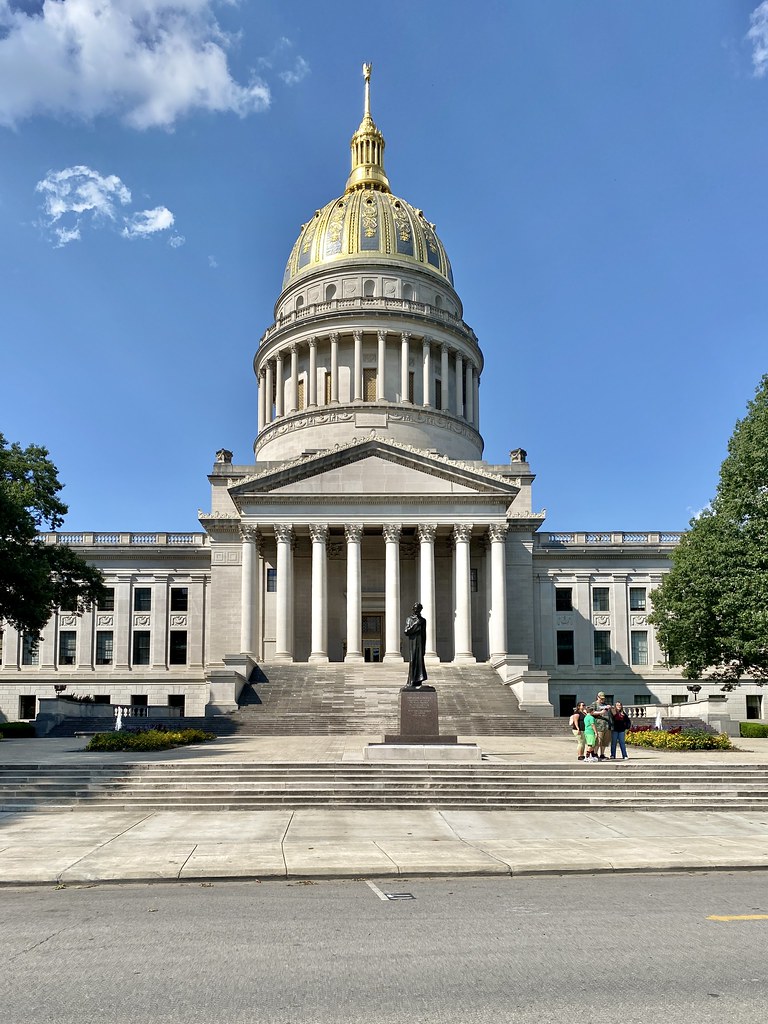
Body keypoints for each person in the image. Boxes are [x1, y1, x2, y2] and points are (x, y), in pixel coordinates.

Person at [404, 602, 427, 688]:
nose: (416, 610)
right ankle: (411, 681)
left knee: (419, 662)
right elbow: (406, 631)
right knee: (412, 661)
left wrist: (424, 647)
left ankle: (418, 681)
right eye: (415, 609)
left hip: (420, 643)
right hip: (413, 642)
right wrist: (416, 624)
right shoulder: (409, 619)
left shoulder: (423, 620)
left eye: (418, 609)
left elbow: (424, 634)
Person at [590, 691, 613, 761]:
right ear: (598, 697)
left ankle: (602, 754)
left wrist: (610, 708)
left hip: (606, 725)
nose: (602, 700)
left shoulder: (605, 705)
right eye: (601, 698)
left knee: (605, 742)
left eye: (603, 698)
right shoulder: (594, 704)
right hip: (599, 725)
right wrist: (600, 712)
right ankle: (595, 754)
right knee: (598, 741)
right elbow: (591, 712)